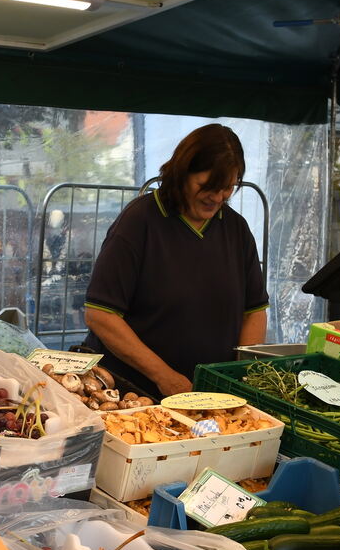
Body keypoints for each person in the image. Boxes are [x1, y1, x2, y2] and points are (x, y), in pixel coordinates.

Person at [82, 124, 268, 399]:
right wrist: (164, 376)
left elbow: (254, 311)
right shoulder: (139, 221)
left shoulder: (236, 229)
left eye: (228, 188)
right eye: (208, 187)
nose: (218, 198)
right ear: (182, 172)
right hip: (134, 395)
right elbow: (101, 314)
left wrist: (238, 376)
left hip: (208, 396)